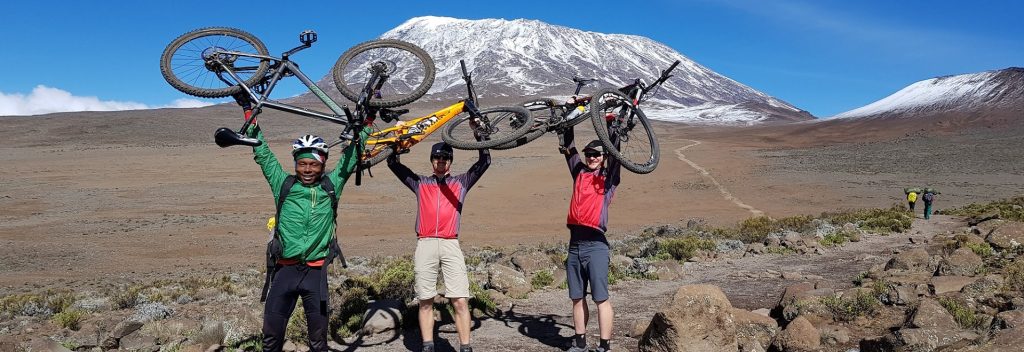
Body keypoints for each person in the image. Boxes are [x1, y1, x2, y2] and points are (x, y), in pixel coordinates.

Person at [240, 103, 369, 352]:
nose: (307, 169)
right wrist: (249, 111)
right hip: (284, 272)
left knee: (318, 340)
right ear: (295, 164)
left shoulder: (331, 186)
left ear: (322, 165)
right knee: (271, 338)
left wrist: (367, 122)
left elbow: (352, 156)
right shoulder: (283, 185)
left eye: (314, 165)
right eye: (302, 164)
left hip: (315, 274)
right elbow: (263, 154)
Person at [387, 141, 490, 352]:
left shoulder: (462, 182)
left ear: (450, 160)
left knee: (460, 300)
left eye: (445, 157)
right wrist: (396, 144)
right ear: (432, 160)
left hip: (450, 242)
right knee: (426, 300)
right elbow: (394, 165)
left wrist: (480, 137)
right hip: (425, 243)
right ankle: (428, 346)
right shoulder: (420, 183)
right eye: (437, 157)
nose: (441, 160)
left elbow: (485, 161)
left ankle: (465, 347)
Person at [559, 124, 620, 352]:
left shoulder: (609, 177)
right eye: (589, 154)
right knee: (576, 297)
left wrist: (612, 126)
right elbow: (569, 147)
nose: (592, 157)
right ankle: (580, 343)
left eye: (597, 154)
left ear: (603, 158)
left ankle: (604, 347)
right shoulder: (579, 172)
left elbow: (616, 152)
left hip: (596, 245)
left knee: (600, 298)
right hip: (574, 245)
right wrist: (568, 121)